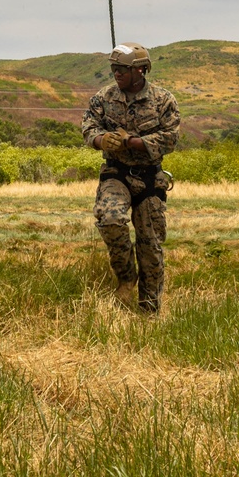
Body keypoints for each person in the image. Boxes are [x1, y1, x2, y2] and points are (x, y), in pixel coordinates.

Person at [81, 43, 180, 315]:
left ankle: (149, 311)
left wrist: (133, 142)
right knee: (109, 219)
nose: (116, 74)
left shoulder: (163, 100)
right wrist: (103, 140)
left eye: (122, 69)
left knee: (151, 248)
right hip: (116, 174)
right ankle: (126, 277)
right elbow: (88, 127)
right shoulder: (104, 97)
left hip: (150, 179)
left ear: (140, 70)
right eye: (114, 69)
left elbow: (170, 139)